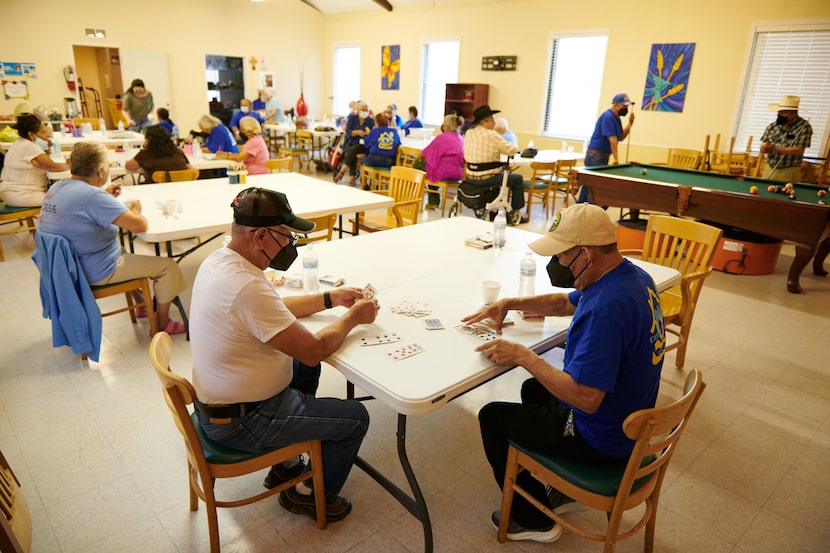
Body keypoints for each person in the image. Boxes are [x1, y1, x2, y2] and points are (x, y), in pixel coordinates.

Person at [462, 203, 666, 543]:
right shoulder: (628, 278)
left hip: (604, 437)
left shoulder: (605, 310)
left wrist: (522, 355)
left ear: (585, 254)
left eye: (560, 256)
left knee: (492, 416)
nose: (554, 264)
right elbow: (564, 304)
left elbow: (586, 399)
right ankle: (558, 486)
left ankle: (532, 520)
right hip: (630, 419)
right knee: (534, 390)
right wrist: (509, 303)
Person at [189, 186, 380, 523]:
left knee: (305, 372)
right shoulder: (246, 287)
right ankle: (307, 496)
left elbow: (272, 310)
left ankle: (287, 465)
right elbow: (314, 350)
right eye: (286, 235)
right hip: (243, 421)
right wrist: (354, 317)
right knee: (355, 418)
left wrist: (329, 298)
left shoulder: (223, 260)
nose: (291, 242)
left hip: (223, 404)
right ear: (261, 235)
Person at [38, 141, 187, 335]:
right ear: (101, 171)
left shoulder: (57, 188)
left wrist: (105, 196)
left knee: (122, 250)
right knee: (168, 267)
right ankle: (162, 323)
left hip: (65, 268)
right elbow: (141, 225)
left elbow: (82, 211)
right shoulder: (92, 196)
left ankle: (142, 304)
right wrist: (134, 211)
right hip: (94, 269)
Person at [463, 104, 527, 224]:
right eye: (492, 120)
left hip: (470, 177)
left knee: (498, 176)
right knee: (517, 179)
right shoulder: (492, 135)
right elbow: (510, 150)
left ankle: (493, 210)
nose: (494, 123)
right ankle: (516, 211)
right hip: (487, 179)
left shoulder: (469, 133)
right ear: (484, 122)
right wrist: (514, 144)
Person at [0, 113, 69, 207]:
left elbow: (42, 164)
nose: (46, 136)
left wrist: (45, 151)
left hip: (10, 193)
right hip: (21, 195)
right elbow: (53, 167)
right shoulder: (30, 147)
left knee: (62, 196)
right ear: (31, 134)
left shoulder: (19, 143)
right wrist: (71, 165)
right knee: (65, 201)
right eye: (43, 132)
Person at [579, 93, 636, 203]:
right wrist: (616, 159)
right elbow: (612, 140)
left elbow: (621, 137)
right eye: (624, 106)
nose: (626, 109)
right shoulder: (608, 117)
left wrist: (630, 124)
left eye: (627, 107)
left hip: (601, 156)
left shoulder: (616, 118)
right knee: (595, 187)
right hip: (595, 156)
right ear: (616, 105)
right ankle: (588, 213)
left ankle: (580, 210)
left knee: (589, 186)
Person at [760, 95, 813, 183]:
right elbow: (764, 145)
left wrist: (774, 148)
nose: (779, 115)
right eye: (779, 112)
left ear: (793, 113)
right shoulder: (773, 126)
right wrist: (764, 148)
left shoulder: (804, 127)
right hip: (769, 167)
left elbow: (799, 150)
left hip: (789, 170)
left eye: (783, 112)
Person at [420, 113, 464, 209]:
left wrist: (416, 159)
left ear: (447, 126)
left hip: (444, 172)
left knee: (421, 166)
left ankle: (432, 201)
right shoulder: (461, 138)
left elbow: (426, 152)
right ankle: (433, 201)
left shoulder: (442, 137)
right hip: (458, 173)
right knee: (432, 166)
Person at [124, 125, 192, 183]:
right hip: (179, 188)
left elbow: (129, 166)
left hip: (153, 188)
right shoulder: (178, 152)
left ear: (148, 140)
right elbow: (190, 169)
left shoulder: (145, 154)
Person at [334, 101, 375, 185]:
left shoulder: (371, 121)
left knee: (352, 150)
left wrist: (367, 134)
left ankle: (343, 171)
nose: (364, 112)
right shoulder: (353, 119)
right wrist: (357, 132)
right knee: (351, 150)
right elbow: (348, 131)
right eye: (363, 109)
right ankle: (352, 176)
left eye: (366, 110)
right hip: (350, 142)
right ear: (358, 110)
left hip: (364, 145)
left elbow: (373, 134)